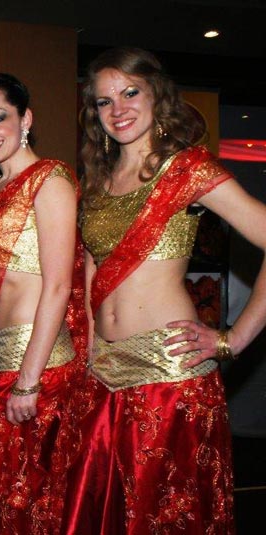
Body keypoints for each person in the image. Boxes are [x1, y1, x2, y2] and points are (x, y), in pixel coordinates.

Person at [64, 46, 266, 534]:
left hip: (168, 373)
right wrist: (88, 344)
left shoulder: (188, 169)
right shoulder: (97, 180)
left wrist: (233, 339)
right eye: (104, 100)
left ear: (157, 95)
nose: (118, 109)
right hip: (103, 371)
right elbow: (91, 265)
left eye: (130, 93)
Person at [0, 73, 88, 534]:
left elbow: (58, 286)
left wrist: (29, 381)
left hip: (38, 370)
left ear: (26, 119)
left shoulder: (50, 180)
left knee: (31, 503)